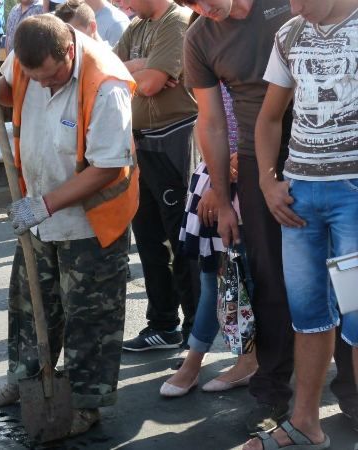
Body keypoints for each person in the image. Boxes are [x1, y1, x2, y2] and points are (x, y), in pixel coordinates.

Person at [176, 0, 357, 434]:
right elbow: (212, 122)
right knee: (275, 282)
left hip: (339, 159)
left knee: (349, 290)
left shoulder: (290, 6)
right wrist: (226, 199)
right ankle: (274, 396)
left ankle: (351, 396)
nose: (202, 8)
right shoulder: (200, 38)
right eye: (189, 4)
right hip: (267, 163)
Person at [0, 13, 138, 436]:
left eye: (51, 76)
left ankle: (85, 402)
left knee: (89, 317)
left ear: (68, 51)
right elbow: (10, 92)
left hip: (92, 221)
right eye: (34, 78)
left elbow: (107, 167)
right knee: (30, 304)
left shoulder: (107, 84)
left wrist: (44, 205)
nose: (43, 85)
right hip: (39, 210)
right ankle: (25, 378)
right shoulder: (28, 59)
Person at [242, 1, 358, 449]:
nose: (296, 6)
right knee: (308, 316)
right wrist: (267, 182)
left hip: (352, 197)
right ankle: (306, 423)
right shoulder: (290, 33)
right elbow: (269, 117)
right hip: (299, 198)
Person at [160, 81, 258, 397]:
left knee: (242, 281)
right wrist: (217, 179)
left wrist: (221, 183)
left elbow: (259, 128)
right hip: (215, 178)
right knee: (216, 280)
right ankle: (200, 362)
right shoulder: (210, 65)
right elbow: (205, 124)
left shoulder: (256, 64)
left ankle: (245, 360)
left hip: (248, 180)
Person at [113, 0, 199, 352]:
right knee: (149, 239)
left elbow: (148, 85)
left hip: (173, 139)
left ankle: (195, 333)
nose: (122, 3)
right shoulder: (137, 26)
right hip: (141, 142)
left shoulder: (176, 21)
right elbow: (106, 73)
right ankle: (163, 324)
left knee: (183, 241)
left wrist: (137, 71)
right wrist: (142, 65)